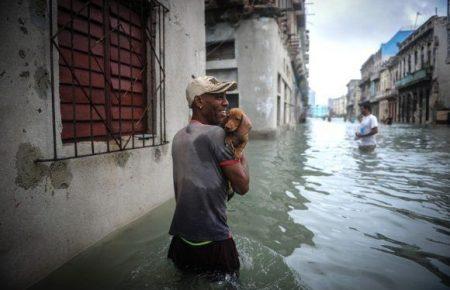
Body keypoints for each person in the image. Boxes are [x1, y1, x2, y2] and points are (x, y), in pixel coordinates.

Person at [167, 76, 250, 278]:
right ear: (199, 102)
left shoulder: (178, 137)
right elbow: (242, 186)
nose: (225, 102)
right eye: (218, 97)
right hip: (214, 242)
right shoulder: (216, 134)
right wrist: (240, 142)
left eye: (225, 97)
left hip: (181, 241)